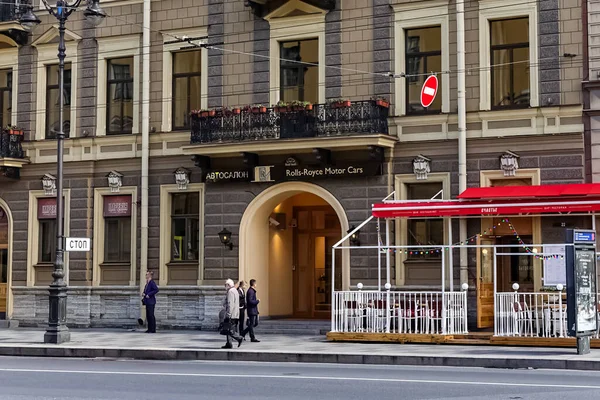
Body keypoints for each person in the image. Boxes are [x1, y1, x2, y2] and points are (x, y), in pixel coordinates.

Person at [222, 279, 243, 349]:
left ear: (228, 285)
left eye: (225, 285)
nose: (225, 286)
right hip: (235, 313)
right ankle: (229, 343)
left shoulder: (230, 291)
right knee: (228, 328)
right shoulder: (235, 290)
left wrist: (228, 314)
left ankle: (239, 338)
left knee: (229, 329)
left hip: (231, 314)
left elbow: (230, 303)